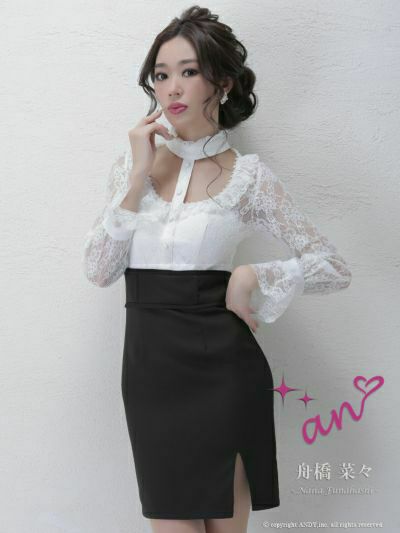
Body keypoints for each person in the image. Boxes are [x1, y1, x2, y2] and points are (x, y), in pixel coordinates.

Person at [82, 5, 352, 533]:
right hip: (151, 375)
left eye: (189, 71)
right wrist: (137, 176)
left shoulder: (249, 177)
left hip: (225, 374)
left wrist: (252, 278)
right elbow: (99, 270)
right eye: (161, 74)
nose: (172, 88)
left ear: (222, 83)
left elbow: (332, 266)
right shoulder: (132, 170)